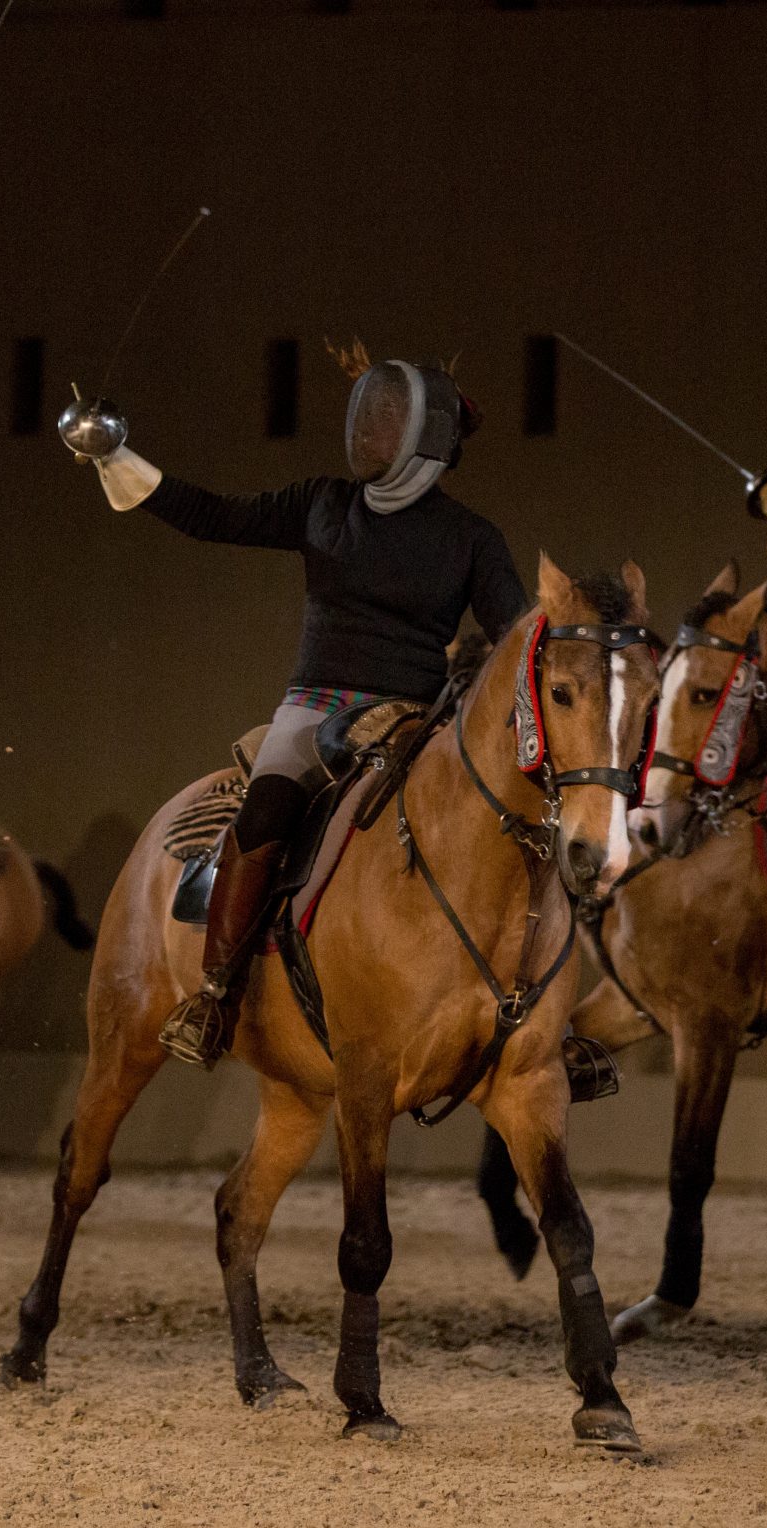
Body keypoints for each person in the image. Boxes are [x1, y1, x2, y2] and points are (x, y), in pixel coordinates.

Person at [70, 346, 528, 1067]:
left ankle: (545, 1017)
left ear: (424, 439)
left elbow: (516, 641)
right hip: (315, 710)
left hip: (411, 720)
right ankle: (214, 995)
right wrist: (117, 457)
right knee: (267, 809)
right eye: (370, 418)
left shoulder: (472, 539)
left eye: (387, 421)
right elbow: (213, 515)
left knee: (516, 820)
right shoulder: (323, 504)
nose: (369, 436)